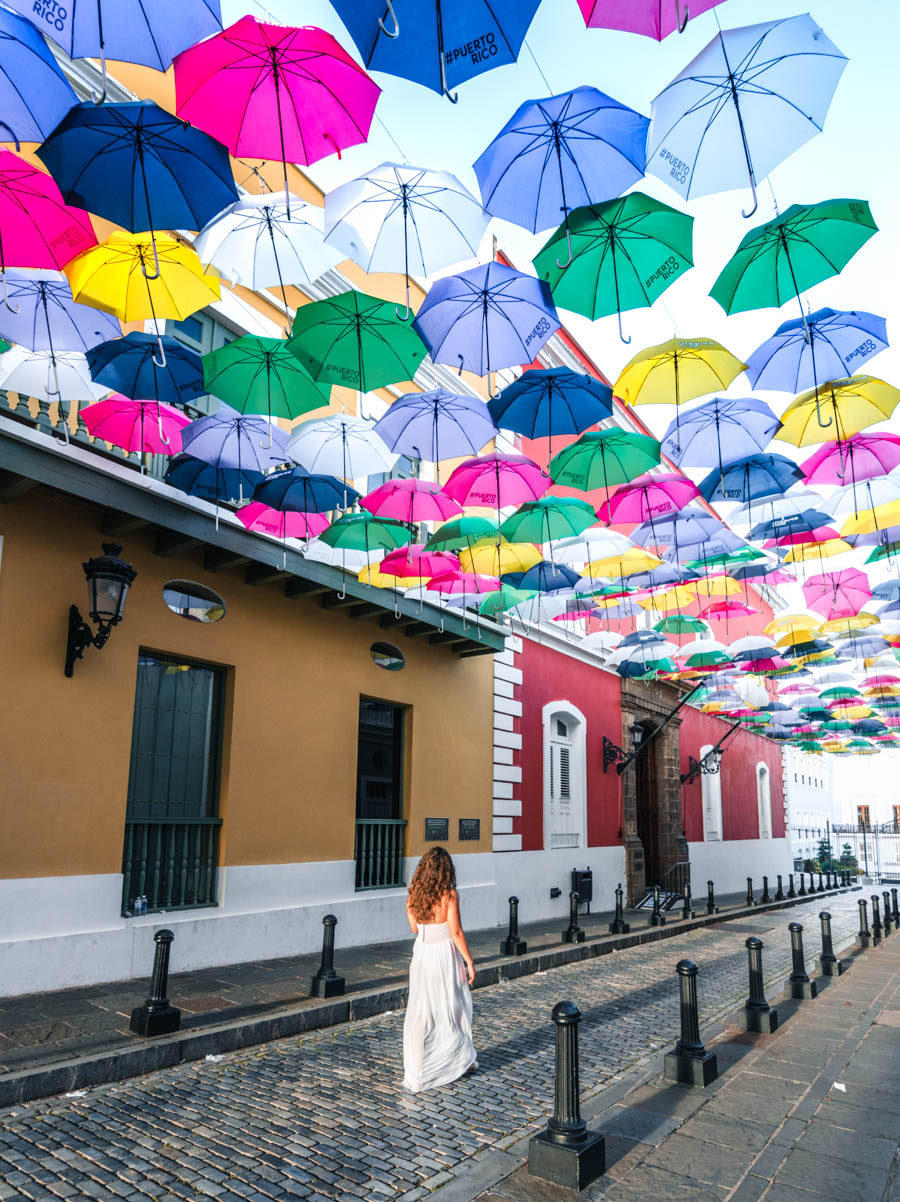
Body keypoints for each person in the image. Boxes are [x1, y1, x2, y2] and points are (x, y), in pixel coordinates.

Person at [402, 846, 477, 1093]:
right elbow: (455, 932)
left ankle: (416, 1073)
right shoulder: (449, 896)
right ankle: (459, 1060)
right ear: (447, 870)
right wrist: (469, 961)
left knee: (421, 1013)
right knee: (454, 1006)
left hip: (422, 955)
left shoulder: (413, 896)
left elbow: (414, 928)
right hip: (444, 955)